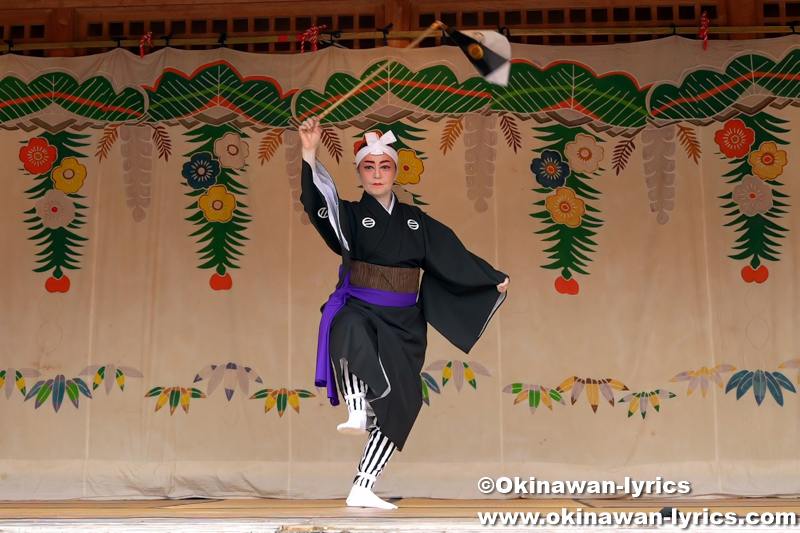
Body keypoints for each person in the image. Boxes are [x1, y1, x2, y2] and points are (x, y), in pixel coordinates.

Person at [299, 117, 509, 510]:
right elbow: (319, 205)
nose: (377, 174)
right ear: (359, 172)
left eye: (384, 166)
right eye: (368, 166)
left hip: (404, 322)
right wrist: (310, 155)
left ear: (395, 171)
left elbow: (450, 253)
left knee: (405, 400)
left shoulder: (416, 220)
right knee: (344, 326)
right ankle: (356, 407)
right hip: (362, 305)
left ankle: (363, 484)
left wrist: (488, 278)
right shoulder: (348, 215)